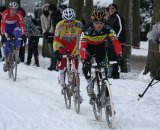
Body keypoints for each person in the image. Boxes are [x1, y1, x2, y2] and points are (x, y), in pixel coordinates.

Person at [80, 9, 122, 101]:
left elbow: (115, 42)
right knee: (85, 66)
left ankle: (106, 98)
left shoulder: (108, 27)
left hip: (100, 47)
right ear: (93, 22)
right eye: (96, 23)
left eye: (101, 22)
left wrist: (119, 54)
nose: (99, 25)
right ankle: (90, 84)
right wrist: (84, 59)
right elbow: (82, 46)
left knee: (104, 73)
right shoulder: (87, 29)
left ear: (104, 22)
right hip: (88, 47)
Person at [53, 8, 83, 102]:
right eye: (67, 21)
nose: (69, 23)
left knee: (76, 71)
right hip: (62, 45)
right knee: (62, 62)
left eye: (71, 21)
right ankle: (62, 80)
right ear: (64, 20)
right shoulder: (60, 26)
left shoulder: (79, 25)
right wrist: (56, 51)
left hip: (73, 47)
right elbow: (56, 40)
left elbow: (84, 38)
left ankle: (77, 92)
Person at [1, 2, 25, 72]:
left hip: (14, 28)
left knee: (18, 33)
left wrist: (23, 34)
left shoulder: (18, 15)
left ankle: (17, 53)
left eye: (15, 10)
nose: (13, 11)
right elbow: (2, 25)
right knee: (6, 45)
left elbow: (22, 25)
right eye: (12, 10)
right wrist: (2, 35)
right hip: (6, 30)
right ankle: (6, 61)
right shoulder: (5, 13)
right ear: (9, 9)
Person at [107, 4, 127, 75]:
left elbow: (121, 28)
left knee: (114, 57)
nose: (111, 10)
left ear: (116, 9)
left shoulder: (118, 16)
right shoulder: (109, 17)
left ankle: (115, 73)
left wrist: (116, 38)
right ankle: (111, 72)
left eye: (112, 8)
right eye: (110, 8)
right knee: (110, 56)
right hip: (110, 42)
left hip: (118, 41)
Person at [42, 3, 62, 71]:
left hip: (54, 35)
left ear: (52, 10)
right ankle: (53, 65)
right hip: (54, 34)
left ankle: (54, 66)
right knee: (53, 51)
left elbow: (54, 27)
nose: (49, 11)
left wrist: (49, 33)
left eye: (50, 10)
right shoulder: (56, 14)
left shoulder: (54, 16)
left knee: (53, 51)